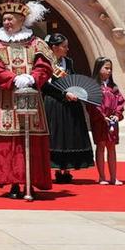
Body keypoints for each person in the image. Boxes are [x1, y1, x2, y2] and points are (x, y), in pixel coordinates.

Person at [0, 0, 54, 199]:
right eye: (4, 19)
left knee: (30, 141)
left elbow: (45, 66)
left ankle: (30, 182)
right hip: (6, 101)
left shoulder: (37, 43)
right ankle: (13, 182)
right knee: (9, 142)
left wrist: (32, 77)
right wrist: (13, 79)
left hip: (31, 100)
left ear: (21, 20)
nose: (6, 22)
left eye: (10, 18)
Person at [42, 33, 94, 183]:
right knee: (56, 136)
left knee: (69, 135)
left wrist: (78, 91)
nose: (67, 49)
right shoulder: (46, 63)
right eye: (64, 46)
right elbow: (46, 85)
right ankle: (57, 168)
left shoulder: (68, 62)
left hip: (71, 105)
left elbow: (72, 79)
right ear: (54, 47)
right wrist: (64, 94)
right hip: (54, 103)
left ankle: (67, 168)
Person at [87, 57, 125, 185]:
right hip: (100, 121)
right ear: (98, 69)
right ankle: (102, 176)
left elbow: (120, 101)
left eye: (110, 69)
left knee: (112, 147)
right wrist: (102, 115)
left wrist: (117, 114)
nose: (109, 71)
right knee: (101, 145)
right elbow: (92, 104)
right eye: (106, 68)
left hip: (112, 121)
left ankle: (114, 177)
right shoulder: (93, 87)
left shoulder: (113, 87)